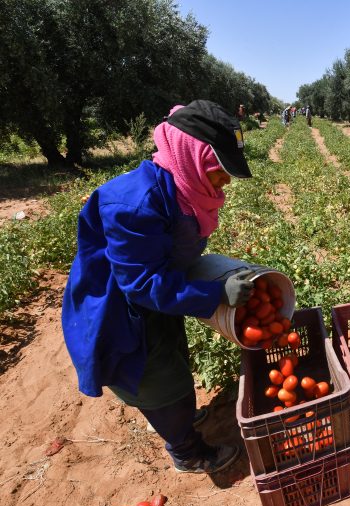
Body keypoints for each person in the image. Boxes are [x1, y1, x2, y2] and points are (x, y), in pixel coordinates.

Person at [62, 99, 256, 474]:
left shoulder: (181, 190)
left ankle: (181, 417)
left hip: (159, 298)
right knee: (158, 383)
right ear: (192, 157)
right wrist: (215, 294)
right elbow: (140, 284)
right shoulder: (135, 204)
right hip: (121, 311)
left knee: (174, 361)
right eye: (220, 170)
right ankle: (187, 451)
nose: (226, 181)